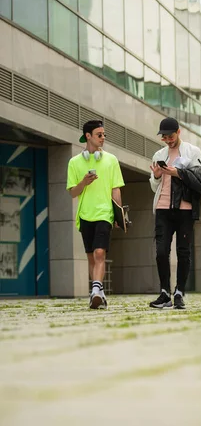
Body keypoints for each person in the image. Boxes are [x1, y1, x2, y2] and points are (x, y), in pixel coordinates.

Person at [149, 117, 201, 310]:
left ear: (179, 132)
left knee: (183, 252)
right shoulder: (159, 154)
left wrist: (177, 173)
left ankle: (179, 292)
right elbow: (154, 186)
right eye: (164, 138)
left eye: (170, 136)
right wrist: (156, 176)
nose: (168, 141)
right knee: (161, 252)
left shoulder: (193, 152)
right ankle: (164, 293)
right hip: (162, 208)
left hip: (185, 209)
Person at [67, 120, 125, 309]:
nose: (103, 138)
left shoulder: (111, 160)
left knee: (100, 252)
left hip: (104, 213)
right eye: (99, 134)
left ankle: (95, 290)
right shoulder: (74, 162)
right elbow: (72, 192)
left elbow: (116, 189)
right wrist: (84, 182)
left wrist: (119, 215)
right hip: (85, 214)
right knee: (92, 257)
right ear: (88, 136)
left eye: (104, 134)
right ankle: (98, 293)